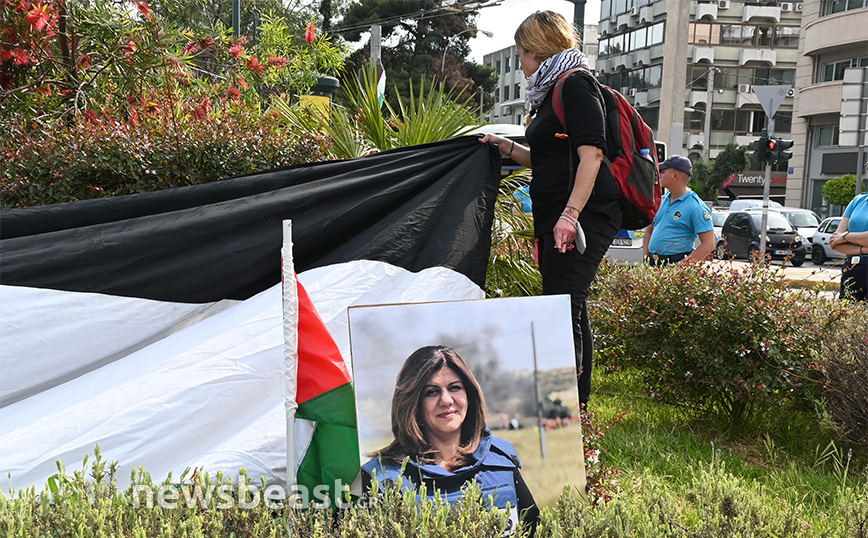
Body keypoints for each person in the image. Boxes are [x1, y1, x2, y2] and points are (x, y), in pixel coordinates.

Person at [479, 11, 621, 409]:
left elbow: (592, 154)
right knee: (569, 304)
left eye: (521, 55)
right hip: (558, 213)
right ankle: (580, 408)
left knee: (561, 308)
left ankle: (566, 413)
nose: (520, 66)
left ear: (536, 51)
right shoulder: (550, 91)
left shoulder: (574, 84)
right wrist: (502, 145)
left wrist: (570, 215)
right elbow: (546, 159)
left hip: (582, 216)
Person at [361, 346, 538, 535]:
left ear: (469, 396)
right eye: (432, 391)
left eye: (455, 388)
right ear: (413, 403)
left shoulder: (502, 461)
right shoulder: (376, 479)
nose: (446, 400)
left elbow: (535, 530)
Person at [642, 155, 715, 264]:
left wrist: (682, 265)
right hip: (653, 261)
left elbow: (709, 244)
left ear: (675, 176)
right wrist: (646, 256)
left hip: (675, 261)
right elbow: (649, 230)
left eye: (663, 172)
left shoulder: (696, 207)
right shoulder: (660, 201)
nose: (659, 175)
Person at [830, 191, 868, 301]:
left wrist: (845, 236)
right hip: (852, 268)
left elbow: (840, 237)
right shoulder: (858, 200)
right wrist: (862, 249)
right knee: (847, 314)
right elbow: (834, 242)